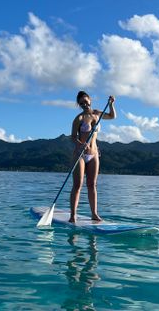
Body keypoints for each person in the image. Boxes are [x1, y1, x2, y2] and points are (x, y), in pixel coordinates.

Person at [69, 91, 116, 223]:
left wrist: (111, 104)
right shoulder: (78, 119)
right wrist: (80, 144)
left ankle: (94, 214)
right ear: (79, 104)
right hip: (80, 154)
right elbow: (72, 137)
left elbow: (112, 116)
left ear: (90, 100)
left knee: (92, 185)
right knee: (78, 185)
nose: (84, 104)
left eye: (86, 101)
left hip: (94, 154)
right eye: (81, 103)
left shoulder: (97, 114)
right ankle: (73, 215)